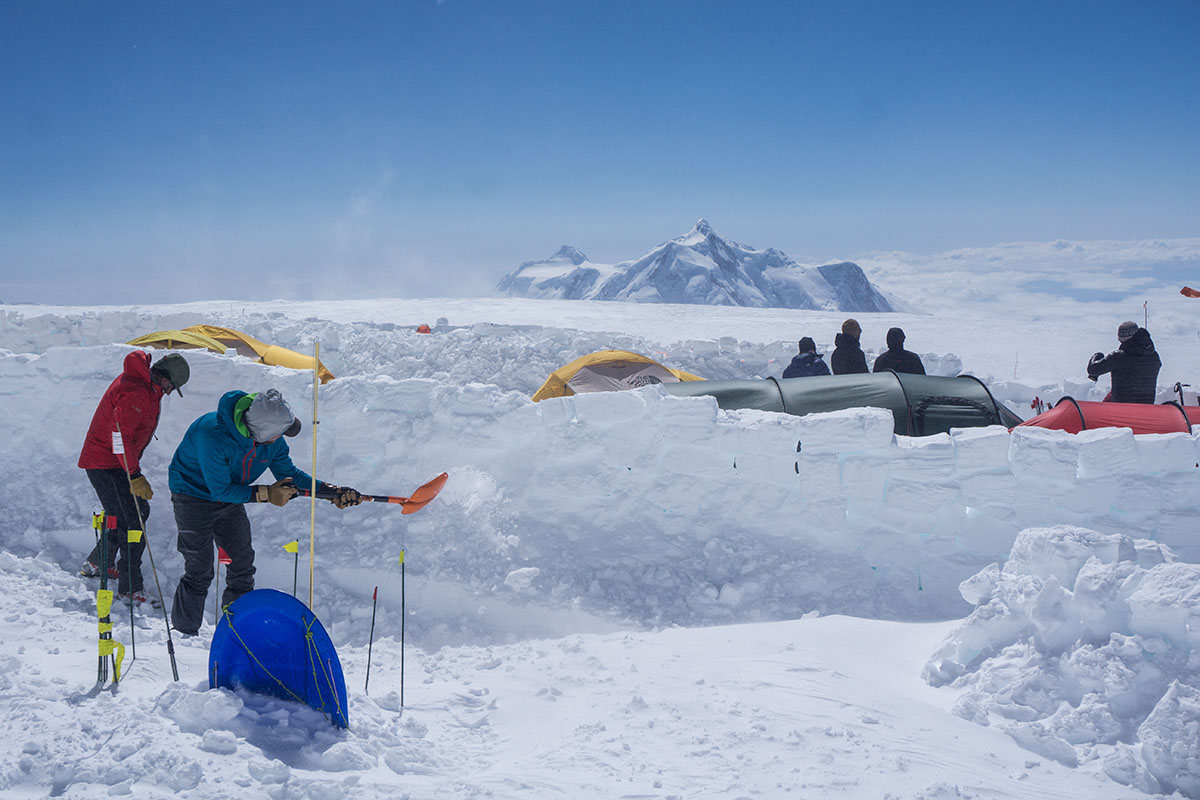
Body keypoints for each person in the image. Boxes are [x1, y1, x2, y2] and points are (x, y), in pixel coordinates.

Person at [167, 388, 363, 636]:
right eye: (276, 434)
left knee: (242, 565)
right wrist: (266, 494)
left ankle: (236, 632)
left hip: (231, 495)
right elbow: (220, 489)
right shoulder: (212, 434)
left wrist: (330, 492)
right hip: (191, 494)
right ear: (257, 434)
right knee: (199, 568)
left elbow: (290, 476)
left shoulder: (272, 441)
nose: (280, 439)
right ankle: (184, 633)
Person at [77, 351, 190, 606]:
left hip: (111, 461)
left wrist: (130, 470)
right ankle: (130, 587)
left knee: (124, 514)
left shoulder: (144, 385)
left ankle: (99, 563)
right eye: (172, 386)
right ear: (164, 378)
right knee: (134, 517)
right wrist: (134, 474)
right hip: (105, 462)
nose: (171, 392)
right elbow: (120, 438)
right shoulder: (137, 392)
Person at [1087, 320, 1161, 403]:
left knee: (1106, 402)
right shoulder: (1154, 356)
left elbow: (1092, 369)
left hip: (1122, 408)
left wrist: (1097, 356)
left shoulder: (1119, 356)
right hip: (1147, 407)